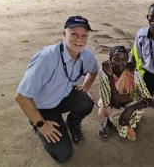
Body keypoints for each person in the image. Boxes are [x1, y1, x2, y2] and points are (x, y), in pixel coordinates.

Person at [15, 16, 98, 163]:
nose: (80, 39)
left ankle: (72, 124)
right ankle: (35, 122)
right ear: (63, 34)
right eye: (74, 34)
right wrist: (42, 124)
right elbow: (21, 97)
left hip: (63, 97)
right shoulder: (46, 58)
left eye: (84, 35)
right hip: (43, 107)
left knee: (86, 102)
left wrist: (86, 86)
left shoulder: (87, 56)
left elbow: (93, 71)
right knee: (63, 155)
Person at [97, 46, 152, 142]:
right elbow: (115, 103)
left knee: (134, 108)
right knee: (104, 111)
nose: (120, 63)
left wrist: (130, 108)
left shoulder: (133, 73)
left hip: (128, 98)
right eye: (116, 59)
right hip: (112, 100)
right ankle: (109, 122)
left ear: (128, 60)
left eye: (124, 59)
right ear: (110, 59)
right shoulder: (104, 73)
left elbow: (147, 98)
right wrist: (110, 77)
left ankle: (129, 120)